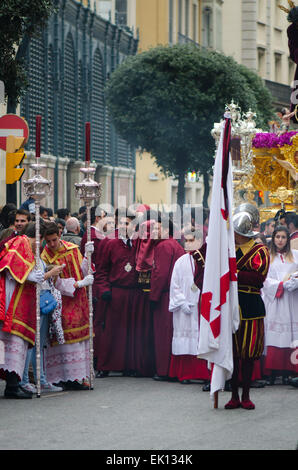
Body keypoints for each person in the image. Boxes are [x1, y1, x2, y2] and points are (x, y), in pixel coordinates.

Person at [225, 206, 270, 410]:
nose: (233, 236)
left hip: (251, 306)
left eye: (236, 233)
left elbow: (258, 279)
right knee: (233, 353)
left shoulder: (260, 250)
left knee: (249, 353)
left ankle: (246, 395)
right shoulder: (228, 249)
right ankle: (233, 394)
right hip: (231, 305)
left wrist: (233, 273)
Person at [41, 222, 94, 390]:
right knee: (64, 341)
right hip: (61, 303)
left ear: (59, 235)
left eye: (54, 240)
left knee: (79, 342)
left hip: (79, 301)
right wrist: (78, 284)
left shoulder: (72, 248)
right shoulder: (45, 256)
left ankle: (78, 376)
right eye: (48, 241)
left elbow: (84, 270)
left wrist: (87, 255)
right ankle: (62, 377)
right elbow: (53, 284)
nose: (52, 244)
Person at [19, 223, 65, 394]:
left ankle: (42, 379)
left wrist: (50, 270)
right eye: (38, 239)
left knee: (40, 344)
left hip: (44, 300)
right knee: (31, 344)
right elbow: (31, 279)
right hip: (34, 300)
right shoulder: (25, 253)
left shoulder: (36, 254)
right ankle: (25, 380)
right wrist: (49, 273)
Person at [0, 229, 44, 398]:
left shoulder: (27, 246)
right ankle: (12, 386)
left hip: (18, 304)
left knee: (13, 347)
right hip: (11, 303)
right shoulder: (21, 243)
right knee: (11, 344)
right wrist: (30, 276)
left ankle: (13, 384)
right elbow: (9, 267)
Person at [93, 209, 138, 377]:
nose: (124, 227)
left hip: (133, 293)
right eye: (121, 223)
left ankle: (129, 365)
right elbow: (101, 270)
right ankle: (105, 365)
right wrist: (104, 289)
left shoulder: (138, 242)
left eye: (128, 223)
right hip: (115, 293)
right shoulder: (109, 243)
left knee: (131, 331)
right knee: (111, 332)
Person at [168, 245, 209, 385]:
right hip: (185, 306)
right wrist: (181, 302)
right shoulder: (180, 261)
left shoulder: (206, 260)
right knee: (186, 339)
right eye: (189, 240)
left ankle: (204, 374)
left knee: (203, 339)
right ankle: (185, 373)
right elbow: (174, 285)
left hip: (202, 304)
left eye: (195, 240)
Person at [261, 226, 298, 385]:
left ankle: (290, 371)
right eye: (278, 237)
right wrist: (281, 285)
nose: (280, 240)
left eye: (283, 237)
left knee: (291, 335)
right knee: (275, 334)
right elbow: (264, 279)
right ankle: (272, 371)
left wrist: (295, 282)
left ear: (287, 240)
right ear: (273, 239)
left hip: (292, 300)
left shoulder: (295, 256)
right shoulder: (268, 257)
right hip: (276, 300)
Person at [150, 215, 184, 381]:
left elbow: (160, 274)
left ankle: (165, 370)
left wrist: (153, 296)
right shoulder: (173, 244)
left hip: (165, 295)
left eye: (157, 229)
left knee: (164, 334)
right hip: (173, 294)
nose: (153, 232)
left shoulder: (164, 246)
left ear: (166, 231)